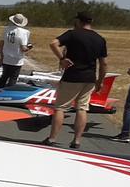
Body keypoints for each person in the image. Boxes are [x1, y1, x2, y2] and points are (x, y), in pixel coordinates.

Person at [42, 11, 107, 149]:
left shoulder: (72, 34)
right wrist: (100, 81)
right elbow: (103, 64)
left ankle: (52, 138)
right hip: (89, 78)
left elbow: (53, 43)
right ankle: (76, 140)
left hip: (72, 76)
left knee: (60, 108)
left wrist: (62, 59)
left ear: (78, 21)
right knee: (82, 108)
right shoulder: (100, 39)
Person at [0, 13, 33, 88]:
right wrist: (29, 47)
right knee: (13, 78)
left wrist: (1, 57)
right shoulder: (24, 32)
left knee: (4, 77)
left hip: (6, 58)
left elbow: (1, 44)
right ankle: (9, 94)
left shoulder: (6, 29)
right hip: (17, 60)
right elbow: (23, 48)